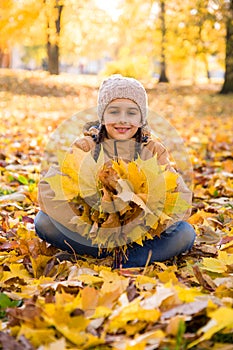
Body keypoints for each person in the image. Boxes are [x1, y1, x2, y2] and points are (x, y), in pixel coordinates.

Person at [35, 74, 196, 268]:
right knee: (43, 222)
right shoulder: (85, 147)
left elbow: (180, 196)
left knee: (185, 233)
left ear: (141, 118)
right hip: (93, 238)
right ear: (102, 115)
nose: (122, 120)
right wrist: (84, 223)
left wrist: (144, 226)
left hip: (140, 239)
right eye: (114, 111)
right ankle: (105, 254)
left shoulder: (153, 151)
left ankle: (127, 259)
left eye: (131, 113)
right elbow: (49, 189)